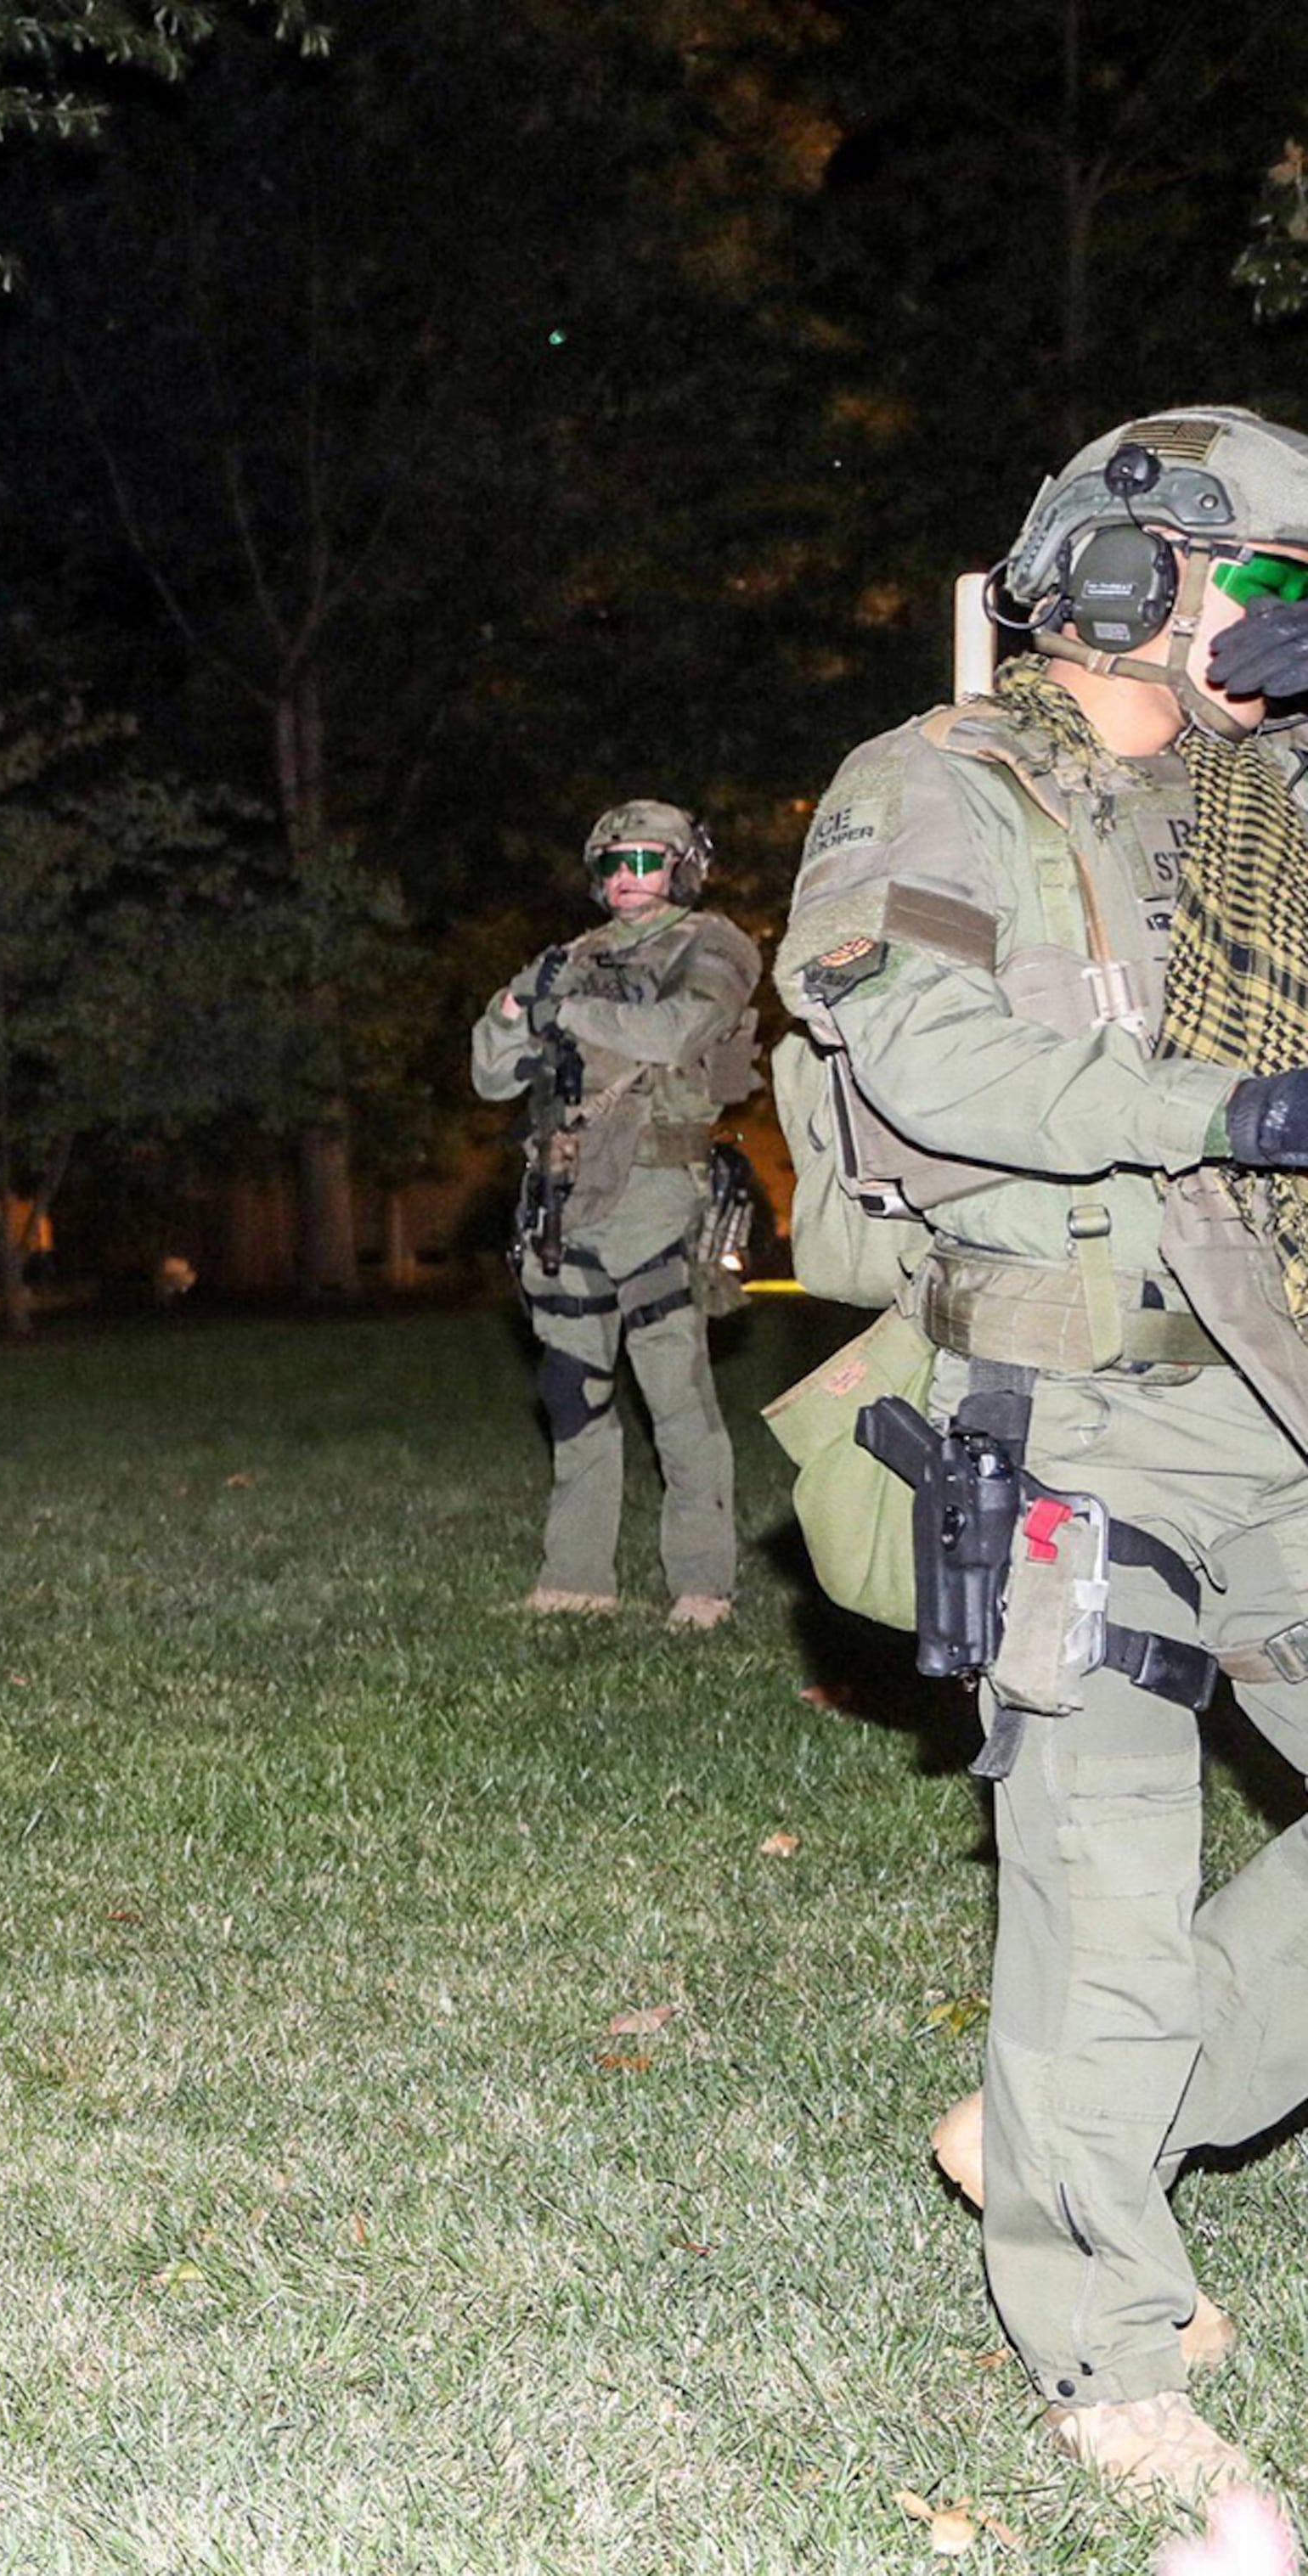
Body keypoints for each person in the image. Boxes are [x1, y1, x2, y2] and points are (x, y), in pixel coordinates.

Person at [777, 404, 1308, 2501]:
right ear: (1120, 570)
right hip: (1058, 1401)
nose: (1269, 640)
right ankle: (1104, 2353)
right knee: (1101, 1858)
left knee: (1112, 1983)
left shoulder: (1261, 811)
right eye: (1251, 589)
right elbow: (915, 1048)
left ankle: (1079, 2120)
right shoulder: (936, 786)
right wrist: (1213, 1107)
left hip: (1264, 1398)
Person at [469, 802, 758, 1629]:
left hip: (659, 1193)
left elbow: (678, 1031)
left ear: (680, 866)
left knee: (676, 1393)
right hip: (566, 1199)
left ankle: (702, 1584)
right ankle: (576, 1575)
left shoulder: (713, 943)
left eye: (646, 859)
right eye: (613, 863)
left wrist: (563, 1012)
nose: (628, 877)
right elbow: (493, 1072)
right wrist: (514, 1014)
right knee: (573, 1394)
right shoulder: (570, 957)